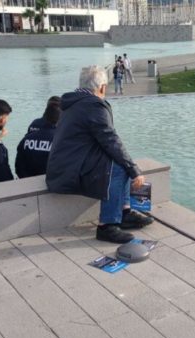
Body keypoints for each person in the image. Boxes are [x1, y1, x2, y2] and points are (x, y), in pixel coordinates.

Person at [46, 65, 153, 244]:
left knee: (120, 161)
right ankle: (106, 226)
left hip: (64, 166)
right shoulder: (93, 104)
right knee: (118, 168)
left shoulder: (74, 102)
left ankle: (123, 213)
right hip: (71, 170)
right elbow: (110, 140)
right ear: (102, 87)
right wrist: (134, 170)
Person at [15, 100, 61, 178]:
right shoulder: (61, 141)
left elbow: (18, 166)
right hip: (51, 185)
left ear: (45, 116)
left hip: (26, 184)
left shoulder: (26, 139)